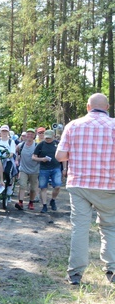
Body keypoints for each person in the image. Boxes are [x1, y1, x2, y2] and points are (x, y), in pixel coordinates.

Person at [55, 93, 115, 285]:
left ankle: (75, 273)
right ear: (108, 107)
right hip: (108, 184)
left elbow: (60, 156)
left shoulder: (73, 125)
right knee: (110, 227)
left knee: (80, 227)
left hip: (79, 184)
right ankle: (112, 270)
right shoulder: (114, 125)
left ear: (88, 107)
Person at [33, 130, 63, 213]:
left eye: (49, 138)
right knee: (43, 187)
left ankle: (53, 200)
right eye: (46, 138)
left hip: (56, 167)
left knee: (57, 186)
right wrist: (41, 159)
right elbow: (34, 157)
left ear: (53, 136)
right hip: (44, 168)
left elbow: (64, 155)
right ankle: (44, 205)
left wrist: (65, 168)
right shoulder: (41, 144)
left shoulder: (58, 144)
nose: (48, 139)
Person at [14, 128, 40, 210]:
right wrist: (16, 160)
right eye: (28, 134)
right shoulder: (20, 145)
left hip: (34, 170)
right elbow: (17, 154)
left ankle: (31, 203)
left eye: (31, 134)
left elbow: (40, 156)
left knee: (33, 189)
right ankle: (20, 202)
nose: (29, 136)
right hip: (23, 169)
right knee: (22, 185)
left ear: (34, 136)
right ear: (25, 136)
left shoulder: (37, 146)